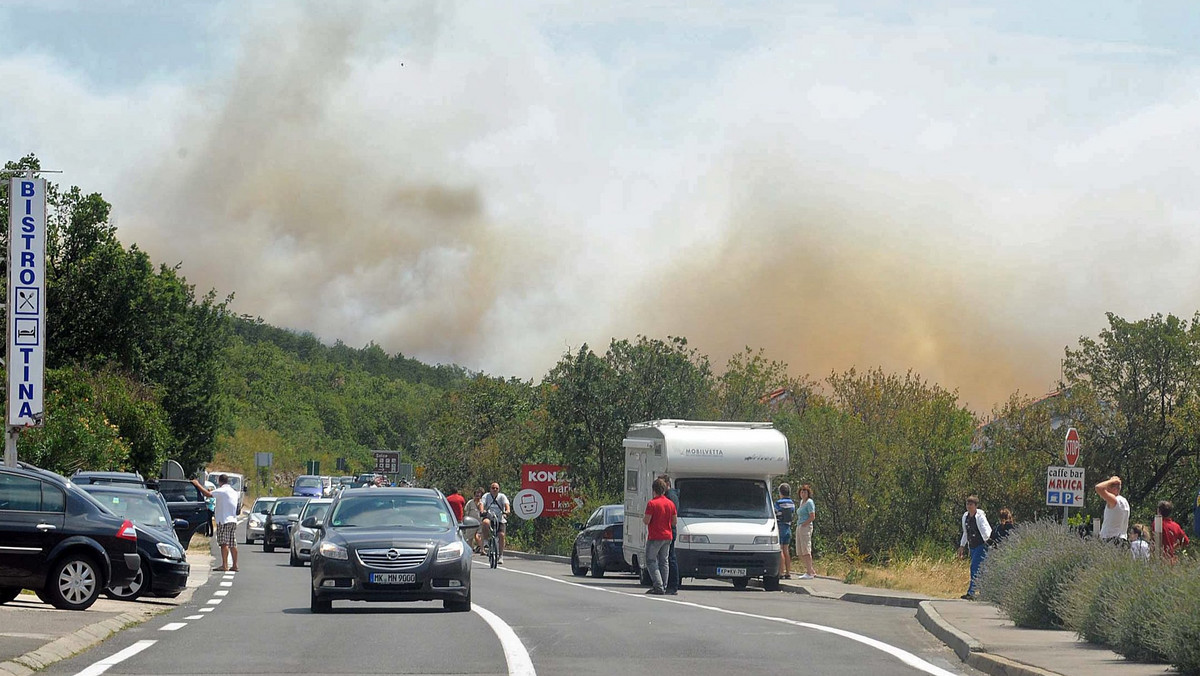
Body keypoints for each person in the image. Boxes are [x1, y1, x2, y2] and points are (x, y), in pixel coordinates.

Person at [193, 474, 240, 572]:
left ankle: (225, 565)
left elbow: (208, 495)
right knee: (232, 543)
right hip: (233, 520)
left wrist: (197, 485)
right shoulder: (234, 492)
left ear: (220, 481)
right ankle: (235, 565)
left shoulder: (222, 491)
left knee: (224, 543)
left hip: (223, 520)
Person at [642, 477, 677, 595]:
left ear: (654, 490)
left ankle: (658, 585)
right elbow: (674, 522)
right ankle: (664, 585)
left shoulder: (652, 503)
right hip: (668, 536)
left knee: (651, 560)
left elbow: (647, 520)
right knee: (664, 561)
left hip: (655, 536)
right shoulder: (670, 503)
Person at [957, 495, 992, 600]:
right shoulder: (966, 517)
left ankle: (971, 592)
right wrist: (962, 546)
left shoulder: (980, 517)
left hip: (981, 545)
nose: (969, 506)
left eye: (971, 504)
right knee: (981, 569)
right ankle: (984, 592)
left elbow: (986, 530)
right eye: (967, 504)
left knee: (974, 567)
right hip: (972, 546)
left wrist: (989, 542)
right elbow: (965, 532)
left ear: (976, 506)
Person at [658, 474, 680, 594]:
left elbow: (672, 515)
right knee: (667, 557)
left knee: (670, 557)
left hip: (670, 529)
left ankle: (673, 585)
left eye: (661, 483)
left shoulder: (671, 496)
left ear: (667, 483)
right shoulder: (668, 495)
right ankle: (667, 584)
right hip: (668, 529)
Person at [1095, 476, 1130, 545]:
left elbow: (1098, 488)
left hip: (1111, 540)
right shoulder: (1124, 501)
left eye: (1108, 488)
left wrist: (1112, 481)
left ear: (1114, 489)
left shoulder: (1114, 501)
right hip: (1121, 539)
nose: (1106, 490)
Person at [482, 483, 511, 564]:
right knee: (485, 522)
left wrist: (507, 511)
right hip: (489, 516)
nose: (494, 489)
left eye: (496, 488)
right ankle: (486, 541)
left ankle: (501, 555)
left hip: (499, 518)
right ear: (490, 489)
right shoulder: (486, 496)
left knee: (501, 535)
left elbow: (507, 504)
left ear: (499, 489)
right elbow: (482, 503)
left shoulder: (502, 496)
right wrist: (482, 510)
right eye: (493, 488)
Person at [795, 484, 817, 579]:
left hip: (806, 527)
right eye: (802, 492)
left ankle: (809, 573)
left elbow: (812, 516)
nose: (803, 494)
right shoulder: (801, 502)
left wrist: (805, 523)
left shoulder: (809, 502)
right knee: (800, 551)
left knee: (806, 550)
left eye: (805, 492)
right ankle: (811, 569)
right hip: (799, 525)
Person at [775, 483, 796, 580]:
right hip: (788, 527)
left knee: (780, 550)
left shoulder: (779, 503)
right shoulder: (792, 503)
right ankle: (788, 572)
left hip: (780, 527)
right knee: (786, 550)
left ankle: (781, 572)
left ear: (780, 492)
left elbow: (776, 513)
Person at [464, 488, 484, 553]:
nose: (477, 495)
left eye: (479, 494)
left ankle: (482, 549)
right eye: (476, 494)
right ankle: (469, 550)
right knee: (469, 538)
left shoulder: (482, 503)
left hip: (480, 522)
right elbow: (466, 511)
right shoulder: (470, 502)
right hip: (471, 523)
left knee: (479, 536)